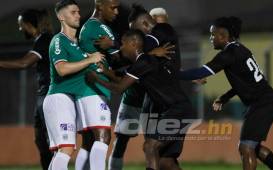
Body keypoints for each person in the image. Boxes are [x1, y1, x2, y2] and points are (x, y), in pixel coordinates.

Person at [179, 16, 273, 170]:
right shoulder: (241, 49)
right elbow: (245, 83)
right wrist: (224, 97)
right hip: (265, 101)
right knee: (253, 148)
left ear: (223, 35)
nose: (211, 38)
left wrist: (173, 73)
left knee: (245, 148)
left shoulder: (228, 54)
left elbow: (201, 72)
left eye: (213, 34)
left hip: (262, 104)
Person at [87, 29, 194, 170]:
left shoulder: (143, 62)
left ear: (134, 43)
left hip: (177, 110)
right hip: (178, 110)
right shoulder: (144, 63)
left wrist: (96, 79)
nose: (121, 47)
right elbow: (123, 79)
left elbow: (119, 88)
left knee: (150, 146)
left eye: (123, 43)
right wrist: (106, 72)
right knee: (165, 162)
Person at [108, 4, 177, 170]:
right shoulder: (136, 43)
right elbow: (127, 65)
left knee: (157, 147)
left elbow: (167, 69)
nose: (157, 28)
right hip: (133, 99)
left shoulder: (167, 43)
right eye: (155, 23)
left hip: (155, 103)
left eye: (161, 24)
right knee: (121, 142)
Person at [43, 0, 104, 169]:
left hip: (71, 100)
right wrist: (90, 59)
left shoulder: (78, 44)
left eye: (78, 12)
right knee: (66, 150)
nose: (78, 15)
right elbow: (61, 69)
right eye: (73, 12)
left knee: (62, 151)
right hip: (58, 98)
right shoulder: (58, 40)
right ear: (61, 16)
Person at [0, 9, 53, 170]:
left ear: (30, 25)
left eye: (21, 25)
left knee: (51, 142)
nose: (20, 29)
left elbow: (24, 63)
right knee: (41, 141)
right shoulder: (41, 40)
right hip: (43, 95)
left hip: (50, 96)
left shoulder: (45, 40)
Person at [75, 0, 120, 169]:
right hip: (93, 89)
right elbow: (122, 57)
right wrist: (115, 44)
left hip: (86, 88)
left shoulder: (88, 26)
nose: (116, 12)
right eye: (113, 7)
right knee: (103, 136)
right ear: (100, 5)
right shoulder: (99, 27)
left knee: (88, 141)